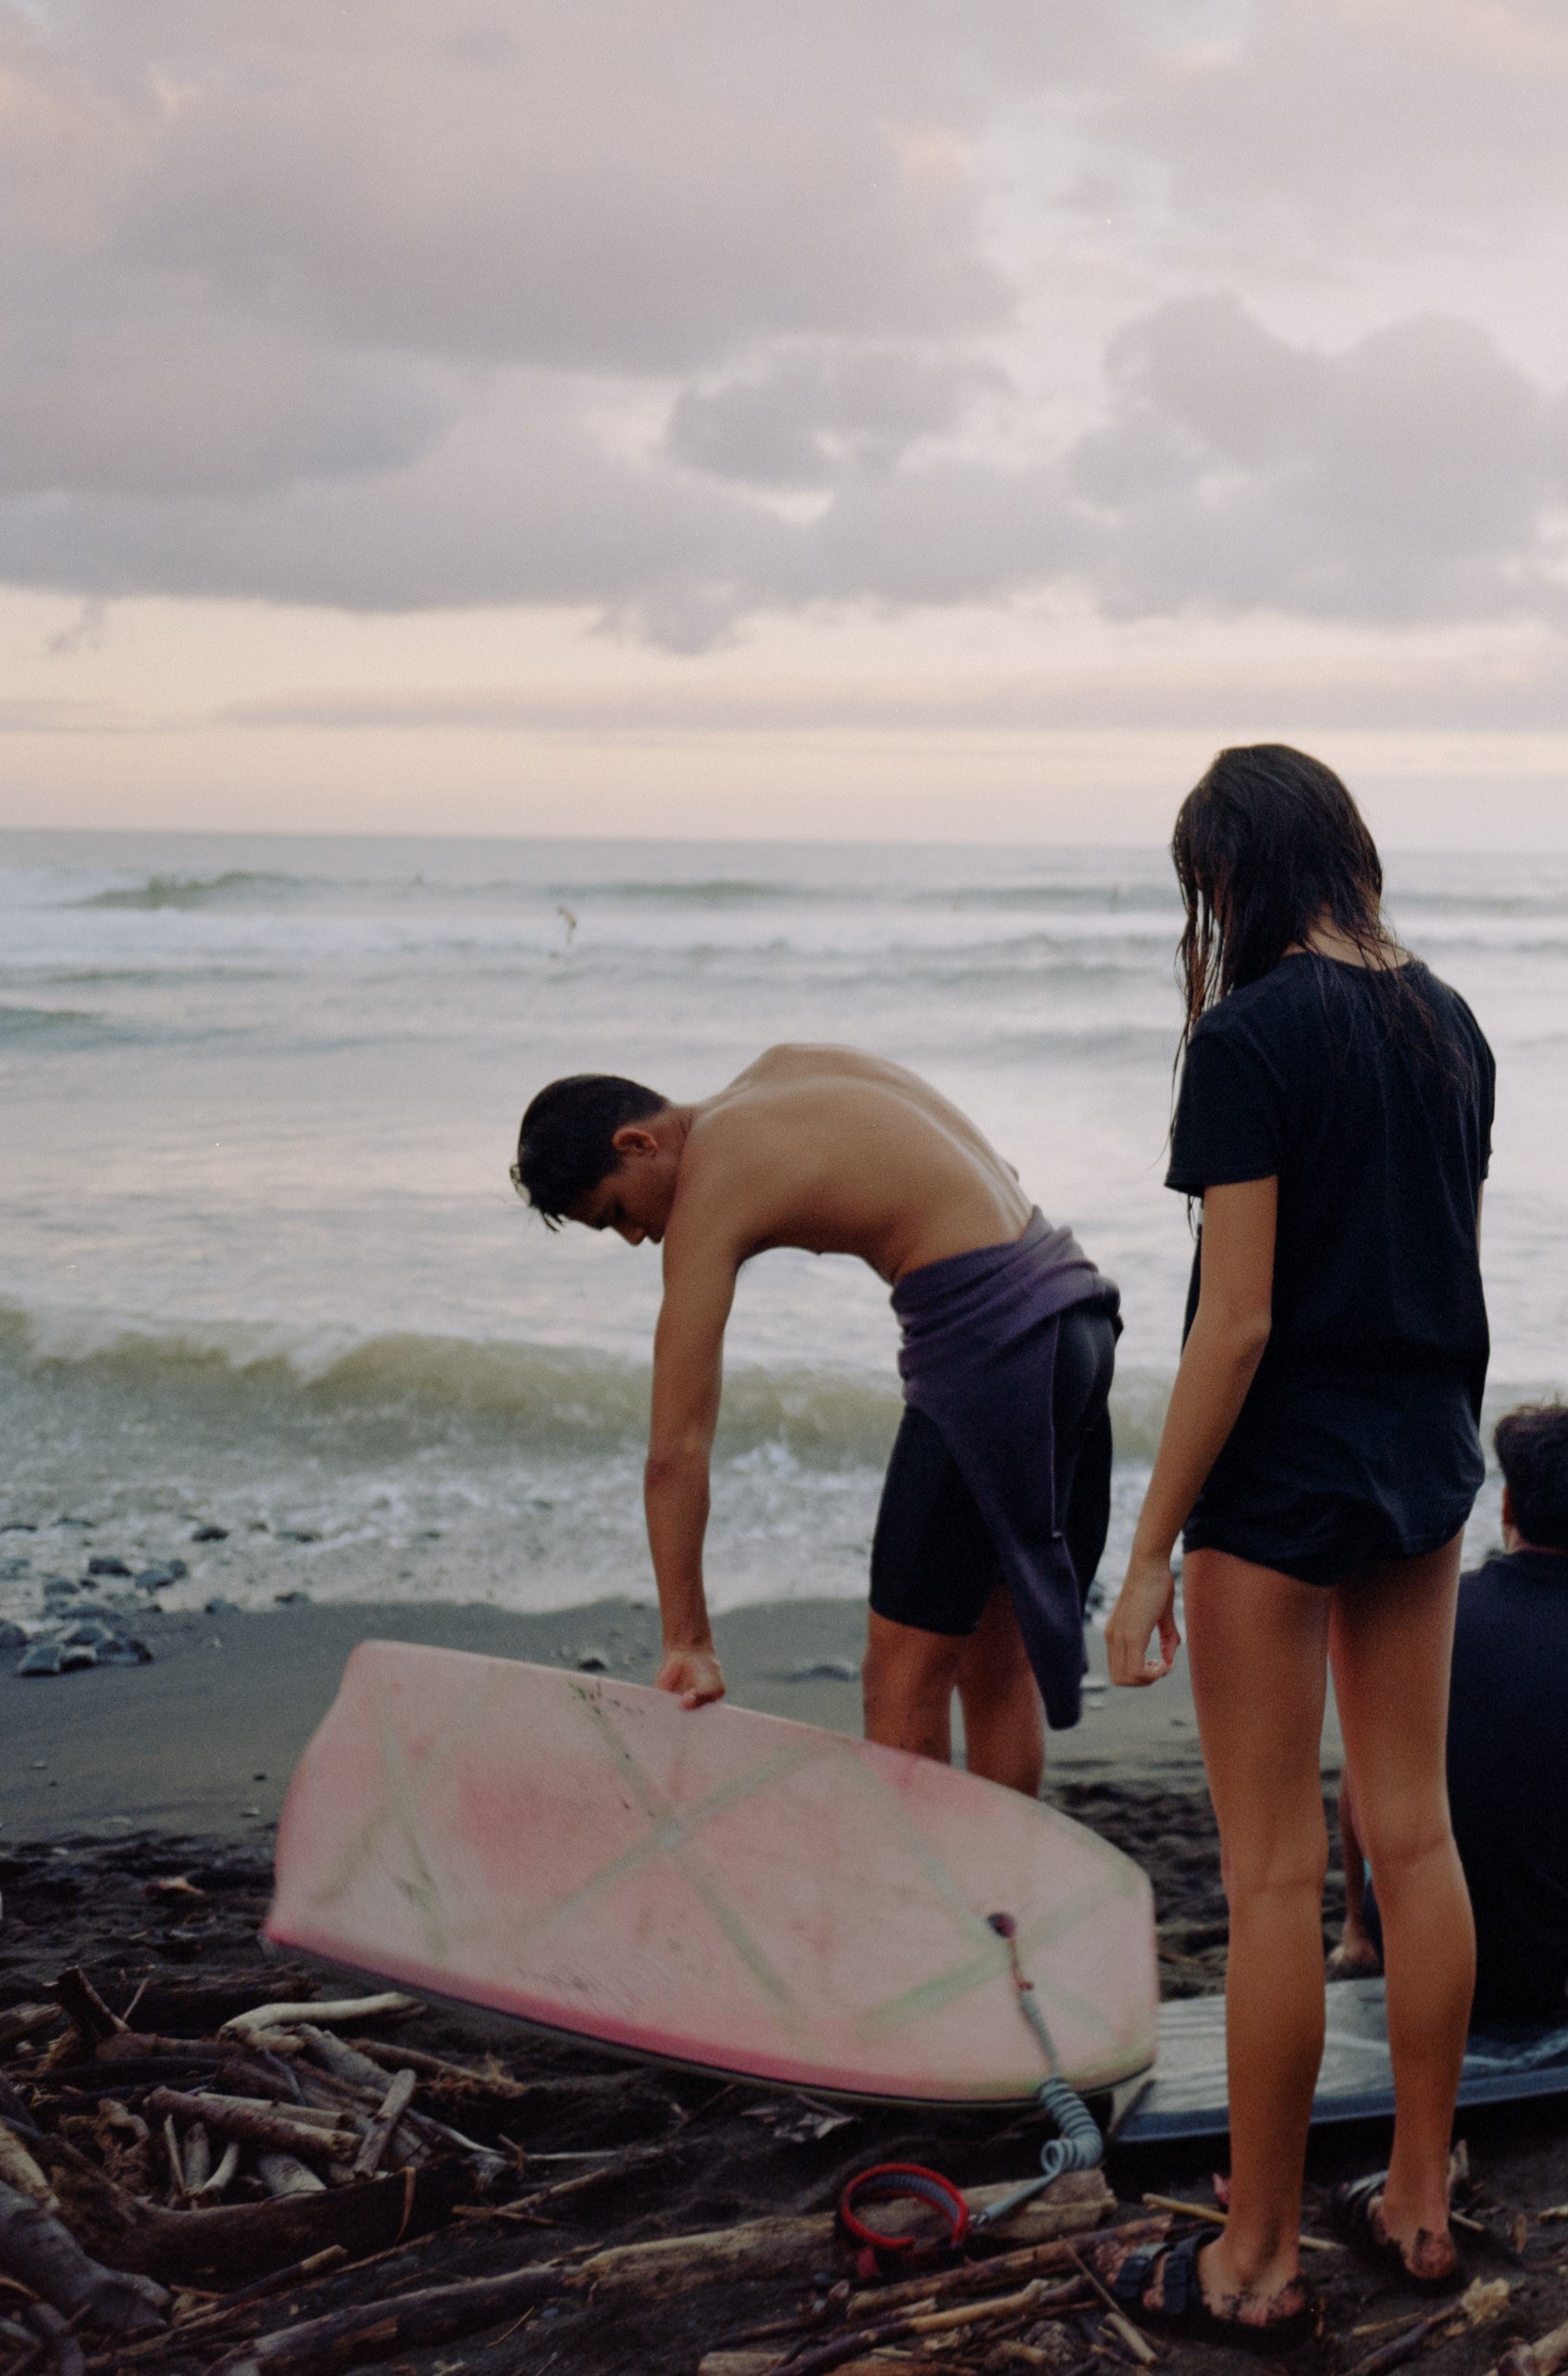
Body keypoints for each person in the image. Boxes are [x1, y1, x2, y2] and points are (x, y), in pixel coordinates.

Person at [1100, 746, 1496, 2336]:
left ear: (1234, 875)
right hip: (1425, 1456)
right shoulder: (1450, 1021)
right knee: (1415, 1836)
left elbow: (1239, 1320)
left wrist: (1149, 1548)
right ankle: (1418, 2199)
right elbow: (1439, 1259)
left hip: (1280, 1481)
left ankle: (1255, 2257)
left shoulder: (1248, 1034)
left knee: (1273, 1874)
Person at [510, 1047, 1117, 1793]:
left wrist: (687, 1641)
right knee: (991, 1661)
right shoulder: (786, 1068)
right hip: (1074, 1316)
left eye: (617, 1215)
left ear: (637, 1144)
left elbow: (677, 1447)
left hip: (996, 1349)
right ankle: (1003, 1866)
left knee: (898, 1679)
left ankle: (915, 1869)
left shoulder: (711, 1183)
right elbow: (994, 1171)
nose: (637, 1237)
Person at [1328, 1405, 1568, 2024]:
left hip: (1419, 1945)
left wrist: (1365, 1932)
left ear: (1507, 1507)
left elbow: (1364, 1783)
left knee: (1373, 1749)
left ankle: (1357, 1933)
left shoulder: (1436, 1615)